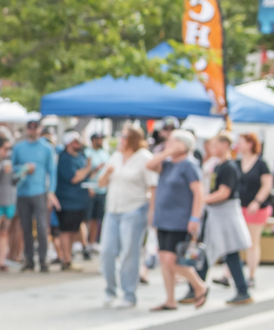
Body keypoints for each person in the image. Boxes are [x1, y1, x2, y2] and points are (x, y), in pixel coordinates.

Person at [146, 128, 207, 311]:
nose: (168, 144)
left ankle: (199, 285)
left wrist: (195, 217)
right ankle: (170, 299)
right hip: (163, 218)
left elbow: (199, 193)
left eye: (172, 141)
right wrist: (167, 152)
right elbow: (149, 165)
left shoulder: (189, 166)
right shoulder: (167, 164)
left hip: (179, 219)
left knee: (171, 259)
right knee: (164, 259)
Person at [97, 124, 154, 308]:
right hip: (112, 210)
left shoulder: (144, 157)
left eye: (123, 136)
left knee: (129, 252)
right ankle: (110, 290)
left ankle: (129, 294)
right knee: (107, 251)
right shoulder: (115, 156)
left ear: (133, 139)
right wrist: (107, 172)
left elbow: (153, 186)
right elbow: (100, 183)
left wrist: (152, 212)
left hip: (134, 209)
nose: (120, 140)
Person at [201, 134, 253, 307]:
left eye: (214, 144)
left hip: (225, 215)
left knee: (223, 251)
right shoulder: (218, 165)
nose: (211, 148)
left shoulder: (228, 167)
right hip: (219, 214)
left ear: (225, 145)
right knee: (221, 251)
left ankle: (197, 288)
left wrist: (203, 200)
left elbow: (224, 193)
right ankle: (197, 287)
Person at [11, 118, 56, 272]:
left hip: (40, 192)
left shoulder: (47, 148)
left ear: (39, 129)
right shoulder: (19, 148)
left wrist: (51, 192)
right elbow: (12, 168)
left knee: (41, 226)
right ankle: (29, 259)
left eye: (35, 127)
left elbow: (52, 171)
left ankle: (43, 259)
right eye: (30, 127)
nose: (32, 130)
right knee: (26, 227)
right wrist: (23, 168)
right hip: (23, 191)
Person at [52, 131, 94, 271]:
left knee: (73, 231)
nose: (78, 144)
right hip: (67, 201)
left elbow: (83, 176)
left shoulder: (80, 156)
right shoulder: (65, 159)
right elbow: (74, 178)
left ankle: (68, 259)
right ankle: (66, 260)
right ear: (68, 143)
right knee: (66, 231)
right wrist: (88, 168)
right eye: (75, 141)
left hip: (79, 200)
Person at [236, 132, 272, 287]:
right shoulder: (237, 163)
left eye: (241, 142)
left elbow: (267, 185)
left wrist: (257, 201)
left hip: (256, 208)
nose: (238, 145)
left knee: (252, 241)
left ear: (250, 144)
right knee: (236, 241)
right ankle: (229, 273)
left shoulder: (261, 164)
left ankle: (251, 275)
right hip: (239, 206)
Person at [0, 131, 17, 271]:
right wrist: (0, 170)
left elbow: (13, 181)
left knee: (4, 232)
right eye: (5, 148)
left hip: (9, 199)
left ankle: (1, 261)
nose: (7, 151)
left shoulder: (10, 161)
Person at [83, 132, 111, 250]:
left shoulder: (105, 154)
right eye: (97, 139)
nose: (100, 141)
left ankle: (92, 242)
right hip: (89, 188)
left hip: (102, 190)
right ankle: (83, 243)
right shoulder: (87, 153)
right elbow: (85, 171)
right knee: (86, 218)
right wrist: (90, 186)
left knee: (96, 218)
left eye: (101, 139)